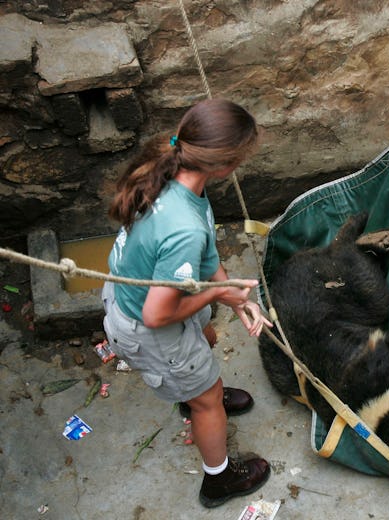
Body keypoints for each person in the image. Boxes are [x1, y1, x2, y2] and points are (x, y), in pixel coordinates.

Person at [102, 98, 273, 507]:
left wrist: (231, 296)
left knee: (206, 340)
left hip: (137, 295)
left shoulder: (172, 173)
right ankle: (219, 480)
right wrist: (217, 293)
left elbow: (203, 254)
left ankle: (194, 394)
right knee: (210, 401)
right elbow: (157, 315)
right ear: (226, 165)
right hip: (148, 325)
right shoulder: (182, 227)